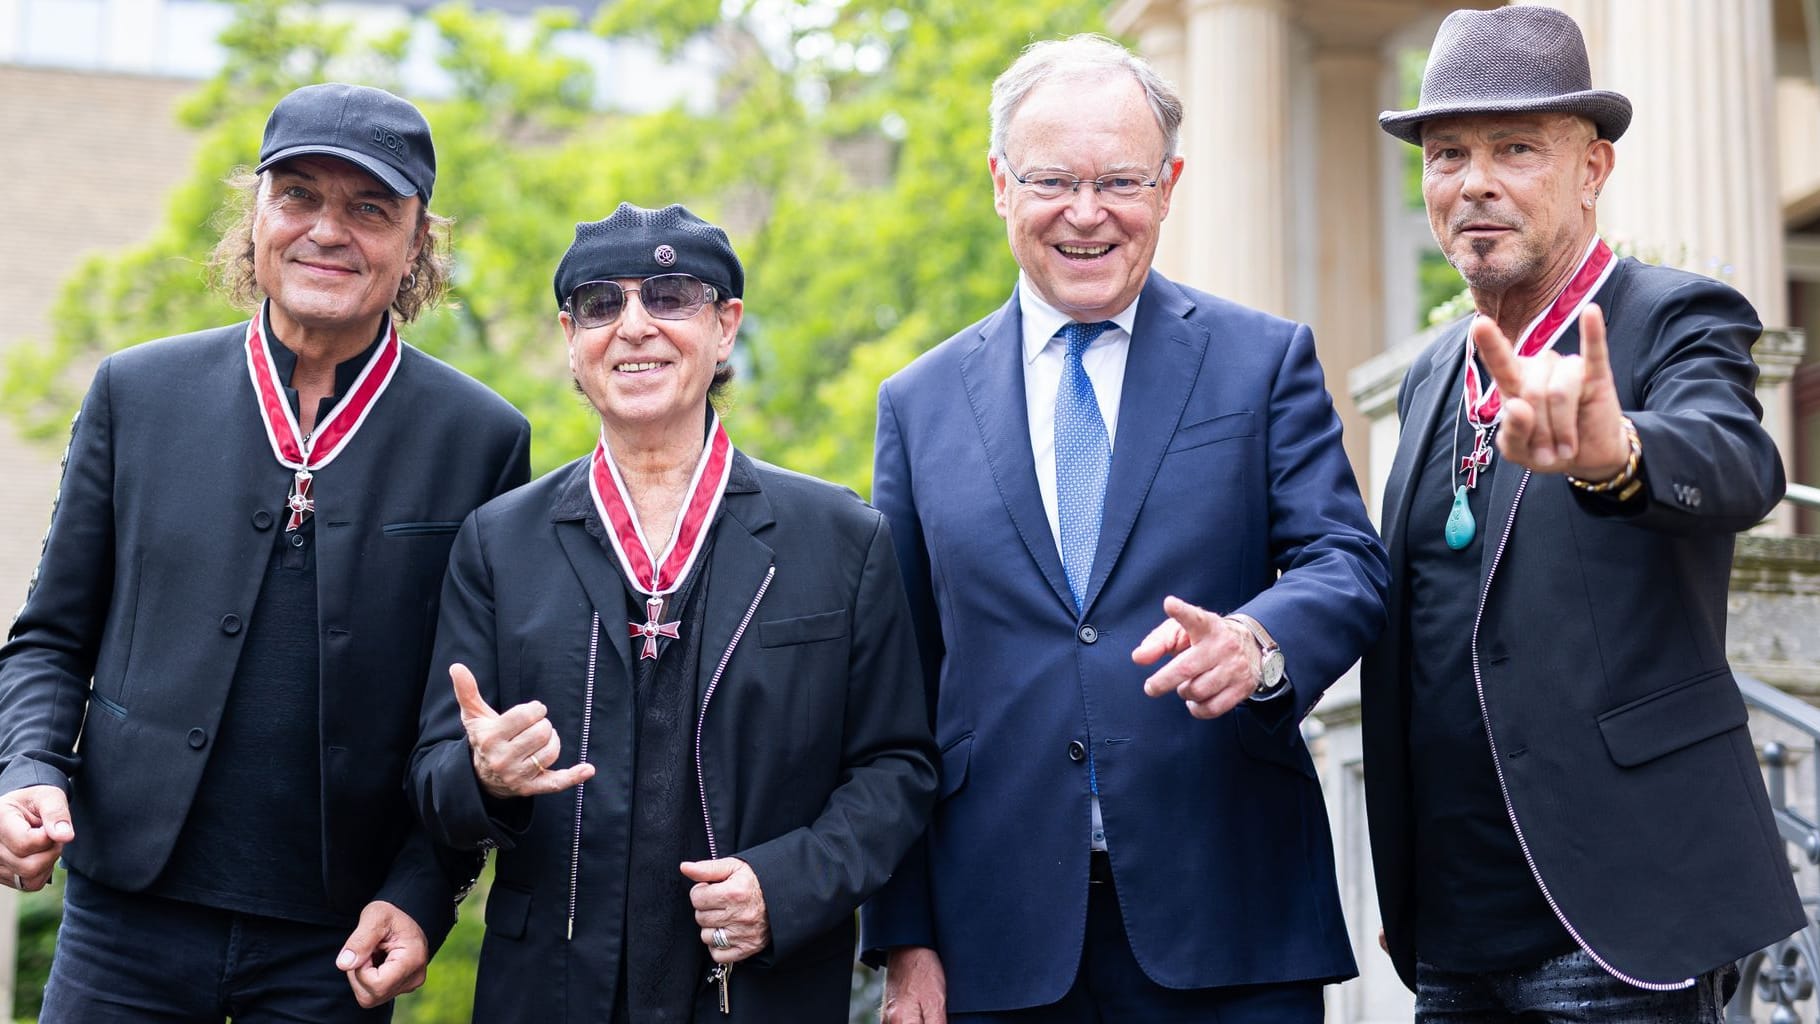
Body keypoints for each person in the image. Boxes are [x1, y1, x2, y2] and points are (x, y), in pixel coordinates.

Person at [861, 34, 1388, 1024]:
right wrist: (902, 938)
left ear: (1168, 185)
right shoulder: (916, 403)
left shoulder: (1260, 361)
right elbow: (893, 688)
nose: (1085, 212)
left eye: (1119, 181)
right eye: (1052, 179)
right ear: (998, 184)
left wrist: (1259, 640)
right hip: (993, 939)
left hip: (1230, 919)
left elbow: (1344, 563)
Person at [0, 83, 531, 1021]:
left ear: (417, 245)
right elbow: (49, 639)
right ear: (254, 217)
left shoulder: (481, 438)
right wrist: (28, 768)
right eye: (298, 197)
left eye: (370, 208)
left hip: (335, 948)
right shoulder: (138, 393)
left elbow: (461, 717)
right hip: (122, 923)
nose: (328, 231)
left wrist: (420, 893)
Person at [1363, 7, 1805, 1021]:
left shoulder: (1672, 316)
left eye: (1514, 149)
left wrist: (1617, 455)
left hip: (1617, 923)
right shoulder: (1435, 374)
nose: (1471, 181)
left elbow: (1736, 460)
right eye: (1445, 155)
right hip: (1449, 936)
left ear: (1592, 169)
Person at [409, 202, 937, 1022]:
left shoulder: (842, 539)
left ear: (726, 327)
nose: (634, 327)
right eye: (601, 304)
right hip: (547, 994)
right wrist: (483, 777)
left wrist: (787, 885)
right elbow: (435, 777)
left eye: (670, 296)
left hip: (762, 991)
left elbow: (897, 769)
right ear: (569, 340)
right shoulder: (498, 543)